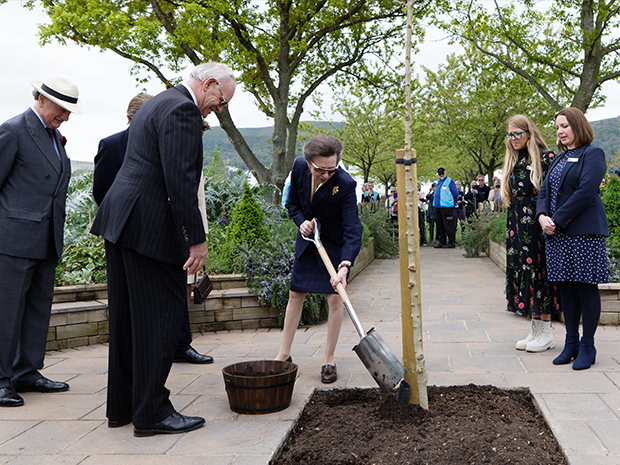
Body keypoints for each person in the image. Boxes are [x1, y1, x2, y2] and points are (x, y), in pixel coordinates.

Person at [91, 62, 235, 435]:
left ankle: (123, 407)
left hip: (122, 222)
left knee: (127, 321)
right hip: (149, 229)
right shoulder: (182, 108)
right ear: (209, 84)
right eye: (221, 101)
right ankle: (153, 412)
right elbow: (180, 180)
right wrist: (196, 239)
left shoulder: (157, 102)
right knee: (160, 320)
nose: (219, 110)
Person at [93, 93, 213, 365]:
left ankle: (181, 344)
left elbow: (189, 189)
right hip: (137, 233)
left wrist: (196, 235)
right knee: (146, 306)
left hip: (178, 230)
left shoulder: (177, 137)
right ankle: (148, 370)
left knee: (178, 292)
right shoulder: (113, 146)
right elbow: (104, 192)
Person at [0, 74, 83, 407]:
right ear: (42, 99)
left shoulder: (55, 136)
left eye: (68, 112)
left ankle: (27, 371)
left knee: (37, 310)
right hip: (13, 241)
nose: (64, 117)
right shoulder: (13, 130)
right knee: (6, 314)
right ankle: (2, 379)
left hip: (47, 239)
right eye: (61, 109)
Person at [275, 135, 363, 384]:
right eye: (320, 169)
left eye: (331, 169)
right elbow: (292, 204)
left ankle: (328, 359)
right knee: (295, 294)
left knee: (335, 299)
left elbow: (352, 228)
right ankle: (283, 354)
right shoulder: (299, 167)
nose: (325, 175)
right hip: (309, 240)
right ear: (309, 162)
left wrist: (345, 265)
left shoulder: (345, 184)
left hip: (334, 245)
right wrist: (301, 221)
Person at [537, 107, 609, 370]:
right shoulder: (558, 159)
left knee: (585, 287)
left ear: (578, 126)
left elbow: (585, 191)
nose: (560, 131)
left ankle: (588, 346)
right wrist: (542, 215)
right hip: (558, 233)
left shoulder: (593, 154)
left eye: (565, 126)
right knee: (565, 287)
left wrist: (557, 219)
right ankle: (571, 343)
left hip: (584, 232)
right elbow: (544, 191)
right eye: (557, 127)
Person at [501, 114, 559, 352]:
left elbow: (553, 194)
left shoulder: (546, 158)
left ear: (529, 132)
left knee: (537, 271)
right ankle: (535, 329)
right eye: (510, 134)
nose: (513, 138)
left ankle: (546, 332)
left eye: (517, 133)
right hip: (516, 223)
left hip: (536, 224)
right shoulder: (516, 159)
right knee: (522, 271)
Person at [433, 168, 459, 248]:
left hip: (447, 207)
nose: (441, 175)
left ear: (445, 172)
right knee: (440, 225)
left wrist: (452, 202)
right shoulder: (439, 182)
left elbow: (455, 193)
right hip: (438, 207)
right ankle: (442, 242)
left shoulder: (449, 181)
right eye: (439, 174)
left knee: (449, 225)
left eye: (442, 173)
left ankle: (451, 242)